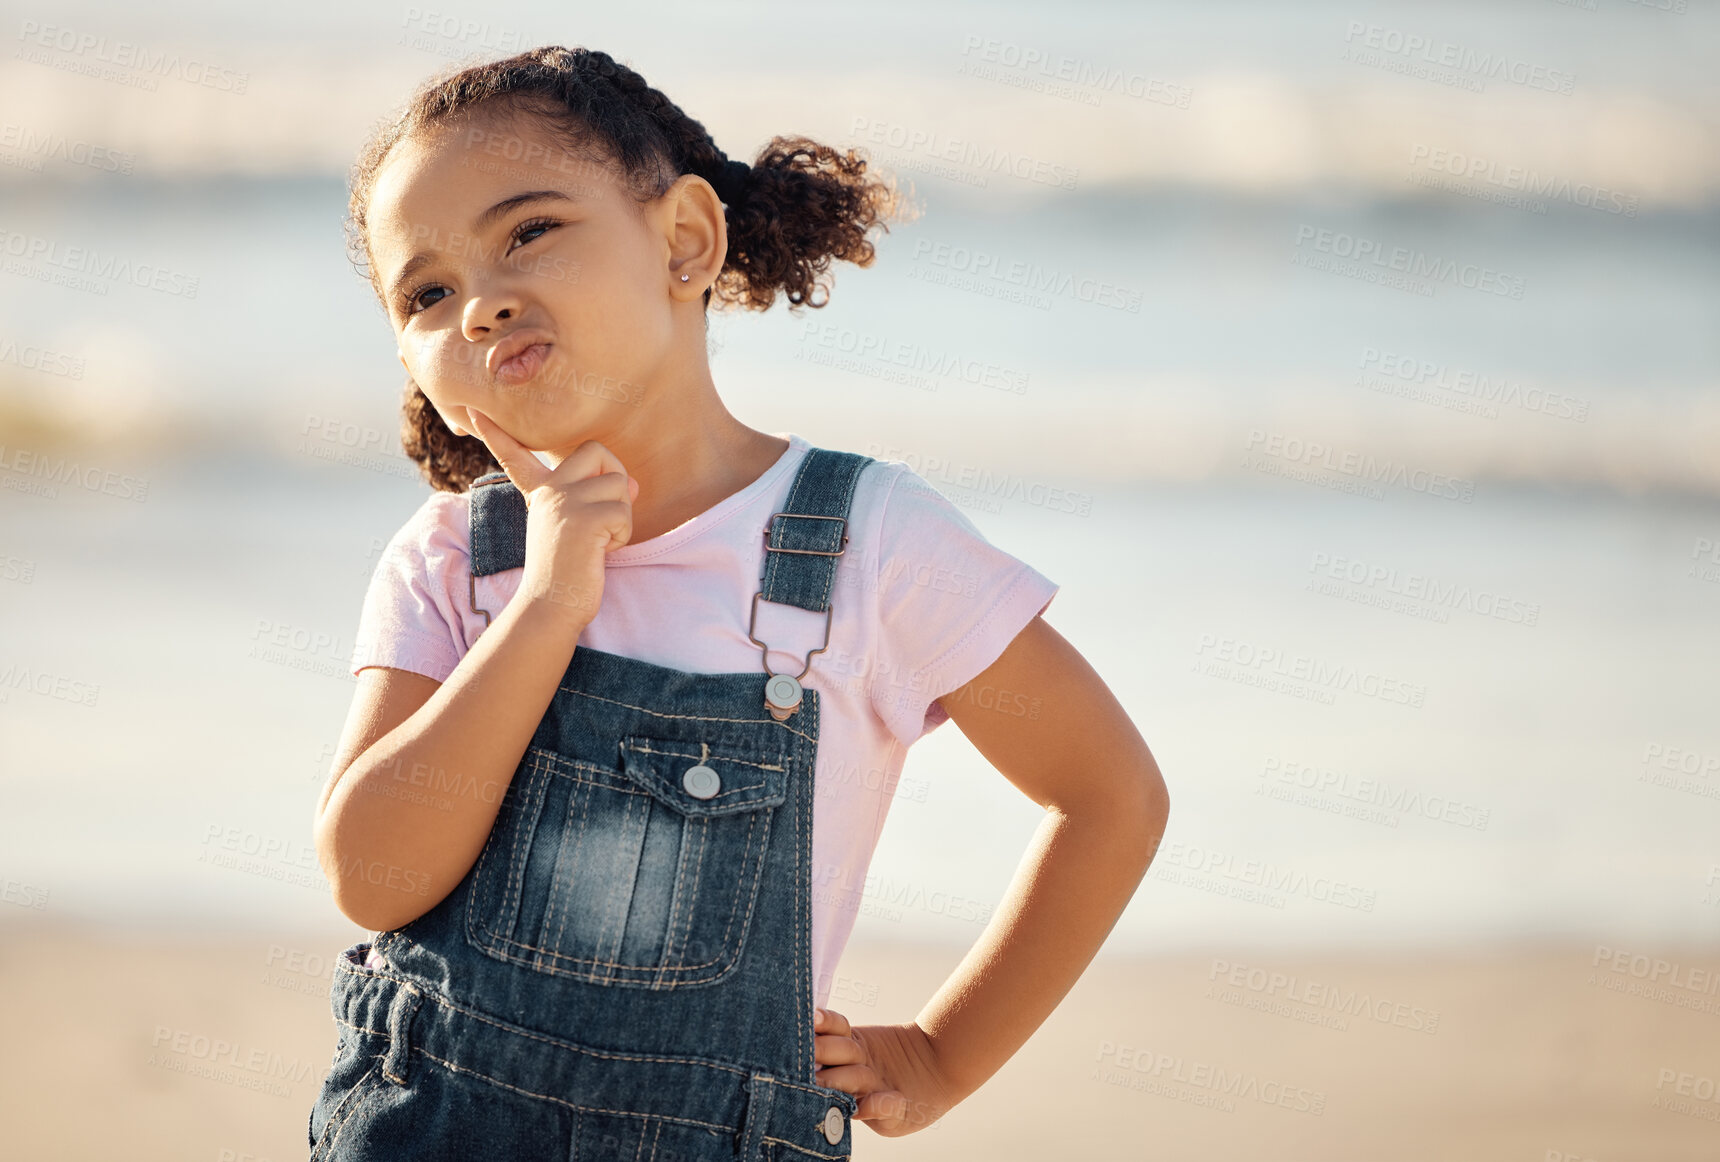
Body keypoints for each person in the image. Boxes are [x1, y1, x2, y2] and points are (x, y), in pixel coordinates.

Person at [308, 44, 1169, 1161]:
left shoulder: (868, 543)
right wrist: (550, 601)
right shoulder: (453, 564)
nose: (480, 303)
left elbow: (1109, 794)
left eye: (528, 231)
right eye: (427, 291)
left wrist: (944, 1055)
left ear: (684, 240)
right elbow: (373, 872)